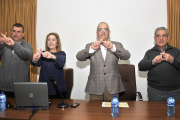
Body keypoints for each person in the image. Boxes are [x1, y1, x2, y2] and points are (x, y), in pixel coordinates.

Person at [76, 22, 130, 100]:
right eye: (100, 30)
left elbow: (127, 56)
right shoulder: (90, 45)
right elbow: (79, 57)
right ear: (97, 33)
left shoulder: (116, 45)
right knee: (95, 111)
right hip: (95, 86)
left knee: (112, 111)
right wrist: (91, 49)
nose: (103, 32)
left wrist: (113, 48)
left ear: (109, 32)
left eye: (105, 29)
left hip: (113, 86)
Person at [138, 27, 180, 101]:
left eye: (164, 35)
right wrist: (153, 62)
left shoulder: (176, 51)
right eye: (158, 36)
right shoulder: (149, 52)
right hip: (154, 91)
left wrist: (172, 60)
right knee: (154, 112)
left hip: (174, 91)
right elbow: (141, 67)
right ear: (155, 38)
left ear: (168, 38)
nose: (161, 38)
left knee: (174, 112)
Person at [0, 23, 33, 97]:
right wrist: (1, 44)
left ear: (23, 34)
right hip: (2, 87)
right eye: (14, 31)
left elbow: (26, 55)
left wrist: (14, 44)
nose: (16, 33)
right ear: (11, 32)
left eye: (19, 32)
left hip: (19, 88)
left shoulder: (28, 45)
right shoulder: (5, 45)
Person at [31, 32, 67, 99]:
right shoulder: (43, 54)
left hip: (58, 88)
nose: (51, 41)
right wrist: (34, 59)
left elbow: (61, 64)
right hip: (43, 88)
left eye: (53, 40)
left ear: (57, 43)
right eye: (49, 39)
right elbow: (35, 63)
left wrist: (53, 56)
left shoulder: (61, 54)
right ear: (47, 43)